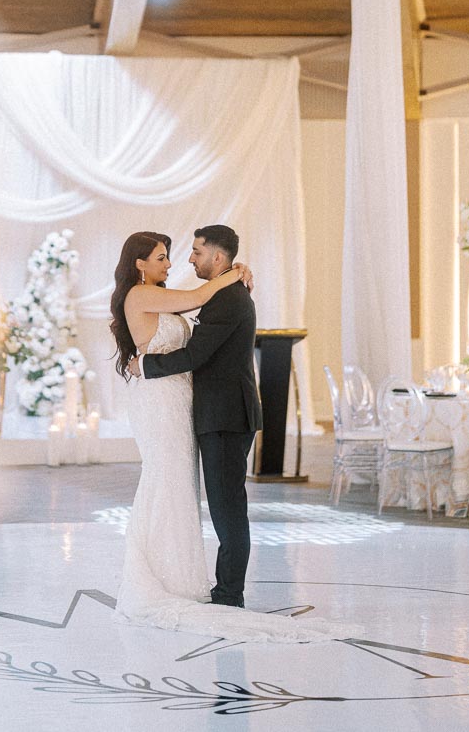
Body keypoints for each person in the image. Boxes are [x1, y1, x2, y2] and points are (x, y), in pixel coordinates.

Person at [111, 227, 347, 643]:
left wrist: (235, 273)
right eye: (164, 256)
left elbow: (196, 347)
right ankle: (175, 578)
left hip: (215, 413)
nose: (181, 261)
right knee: (173, 485)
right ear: (140, 264)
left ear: (215, 259)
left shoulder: (219, 296)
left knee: (216, 502)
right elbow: (196, 302)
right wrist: (235, 272)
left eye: (192, 253)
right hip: (170, 406)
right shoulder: (148, 295)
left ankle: (224, 591)